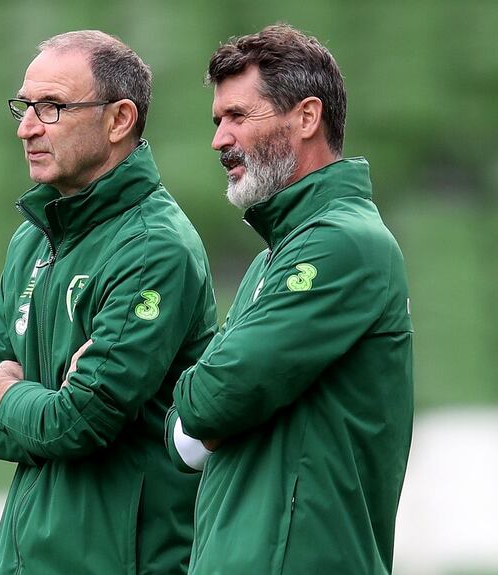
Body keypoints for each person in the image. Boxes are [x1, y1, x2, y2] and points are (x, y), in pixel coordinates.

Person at [0, 30, 216, 575]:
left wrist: (8, 390)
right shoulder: (33, 238)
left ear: (120, 120)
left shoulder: (153, 248)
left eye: (50, 107)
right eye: (24, 107)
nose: (26, 127)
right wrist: (42, 411)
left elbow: (80, 422)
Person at [166, 24, 414, 574]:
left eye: (237, 117)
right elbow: (183, 442)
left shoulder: (344, 242)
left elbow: (207, 401)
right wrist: (199, 403)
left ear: (306, 117)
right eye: (216, 121)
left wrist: (191, 394)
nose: (219, 140)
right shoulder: (271, 260)